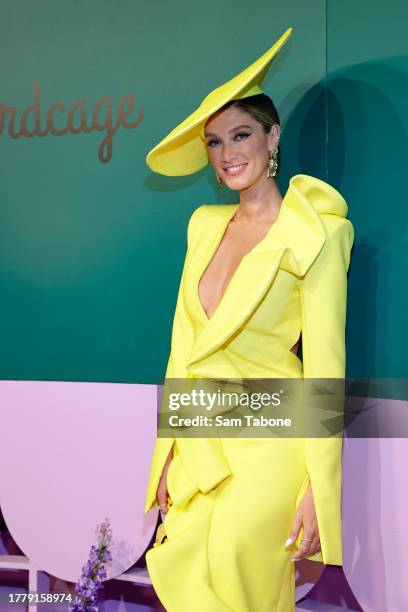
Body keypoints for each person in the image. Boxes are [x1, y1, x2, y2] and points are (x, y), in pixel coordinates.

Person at [143, 26, 354, 612]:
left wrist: (318, 488)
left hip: (272, 446)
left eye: (242, 135)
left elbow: (326, 369)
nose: (229, 152)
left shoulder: (317, 233)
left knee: (241, 580)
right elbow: (181, 350)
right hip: (201, 443)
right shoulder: (202, 228)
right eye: (215, 142)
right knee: (185, 580)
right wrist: (167, 452)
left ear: (273, 137)